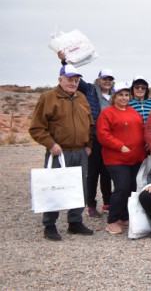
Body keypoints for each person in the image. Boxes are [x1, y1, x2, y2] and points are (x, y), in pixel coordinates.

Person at [29, 64, 95, 241]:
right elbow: (36, 128)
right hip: (58, 152)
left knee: (78, 189)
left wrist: (88, 144)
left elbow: (89, 124)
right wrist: (51, 144)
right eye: (69, 79)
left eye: (76, 80)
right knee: (54, 187)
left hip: (80, 152)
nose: (73, 83)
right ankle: (49, 225)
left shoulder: (81, 97)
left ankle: (75, 222)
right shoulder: (48, 98)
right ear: (60, 79)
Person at [59, 50, 114, 217]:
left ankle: (107, 202)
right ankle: (90, 204)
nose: (107, 82)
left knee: (107, 172)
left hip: (109, 139)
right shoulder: (89, 90)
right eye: (104, 79)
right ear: (98, 80)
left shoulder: (115, 95)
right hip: (94, 136)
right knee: (93, 172)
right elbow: (75, 80)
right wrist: (64, 62)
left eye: (110, 79)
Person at [96, 82, 147, 234]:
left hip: (135, 157)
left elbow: (142, 128)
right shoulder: (107, 113)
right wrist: (119, 145)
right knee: (122, 187)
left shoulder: (132, 111)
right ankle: (112, 220)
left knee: (131, 188)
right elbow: (103, 135)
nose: (124, 98)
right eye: (120, 95)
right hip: (116, 159)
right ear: (114, 96)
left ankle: (123, 216)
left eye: (126, 95)